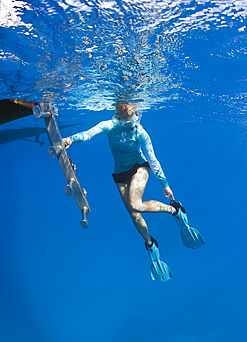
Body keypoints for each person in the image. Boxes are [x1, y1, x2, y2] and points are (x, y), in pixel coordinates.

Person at [63, 102, 204, 281]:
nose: (132, 125)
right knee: (134, 215)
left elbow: (153, 160)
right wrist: (70, 139)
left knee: (135, 204)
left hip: (139, 167)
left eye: (135, 120)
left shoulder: (141, 133)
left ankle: (175, 210)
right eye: (127, 121)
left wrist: (164, 184)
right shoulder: (110, 125)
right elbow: (89, 134)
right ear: (119, 118)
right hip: (120, 174)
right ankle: (151, 245)